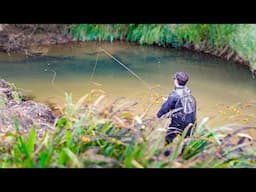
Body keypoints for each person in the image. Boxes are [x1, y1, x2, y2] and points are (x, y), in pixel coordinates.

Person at [157, 72, 197, 144]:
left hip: (179, 124)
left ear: (176, 81)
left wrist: (158, 116)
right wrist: (168, 100)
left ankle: (166, 153)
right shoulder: (188, 91)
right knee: (186, 142)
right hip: (192, 122)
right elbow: (183, 104)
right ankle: (184, 154)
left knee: (168, 138)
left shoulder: (174, 95)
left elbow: (163, 110)